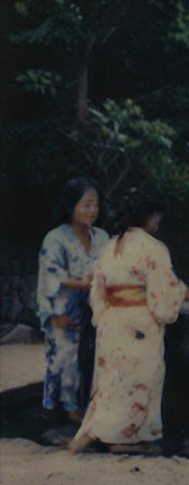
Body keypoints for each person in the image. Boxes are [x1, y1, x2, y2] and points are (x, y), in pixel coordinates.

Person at [69, 188, 189, 454]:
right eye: (157, 217)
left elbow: (98, 288)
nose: (158, 222)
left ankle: (96, 431)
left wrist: (105, 316)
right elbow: (162, 292)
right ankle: (124, 439)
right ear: (151, 217)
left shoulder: (110, 246)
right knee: (138, 379)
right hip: (139, 322)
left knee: (110, 381)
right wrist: (182, 292)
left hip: (112, 321)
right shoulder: (153, 248)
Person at [37, 178, 109, 423]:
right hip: (63, 307)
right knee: (64, 357)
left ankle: (85, 404)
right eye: (86, 205)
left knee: (89, 356)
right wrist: (54, 313)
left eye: (95, 205)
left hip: (93, 309)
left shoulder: (101, 237)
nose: (92, 211)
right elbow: (49, 274)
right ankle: (64, 408)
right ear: (71, 206)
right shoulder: (55, 238)